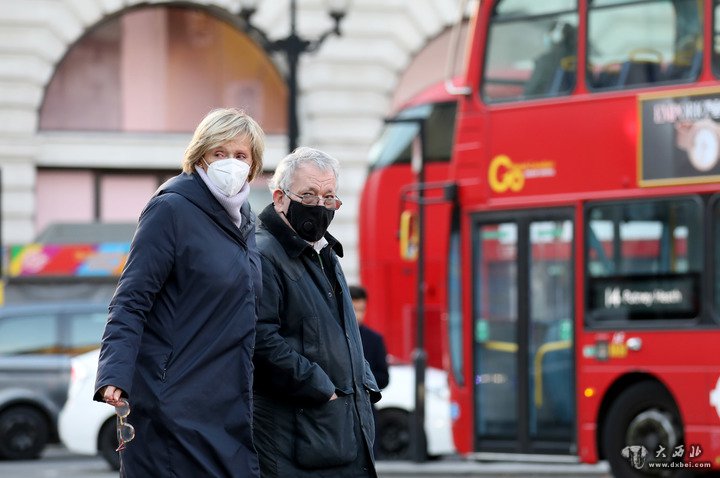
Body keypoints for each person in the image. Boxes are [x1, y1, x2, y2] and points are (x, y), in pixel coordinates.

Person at [93, 108, 265, 477]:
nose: (230, 163)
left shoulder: (245, 220)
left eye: (240, 155)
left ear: (253, 165)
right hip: (173, 401)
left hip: (228, 398)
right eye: (220, 153)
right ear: (200, 155)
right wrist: (114, 373)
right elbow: (131, 299)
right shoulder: (171, 208)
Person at [253, 147, 381, 477]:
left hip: (334, 431)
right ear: (280, 197)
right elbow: (260, 339)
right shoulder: (264, 253)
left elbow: (340, 333)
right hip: (298, 438)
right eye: (309, 195)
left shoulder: (324, 252)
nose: (320, 206)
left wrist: (363, 381)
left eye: (329, 197)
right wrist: (323, 388)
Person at [349, 285, 390, 458]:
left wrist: (365, 381)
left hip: (366, 408)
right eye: (354, 309)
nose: (358, 314)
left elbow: (384, 377)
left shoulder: (374, 339)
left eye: (362, 309)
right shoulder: (333, 335)